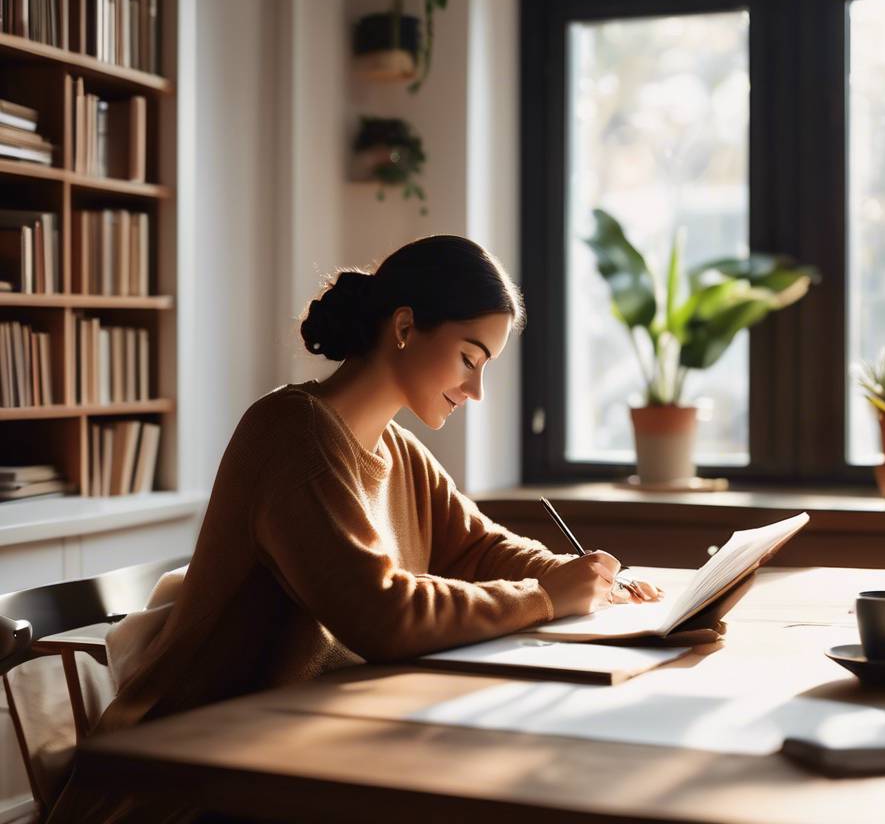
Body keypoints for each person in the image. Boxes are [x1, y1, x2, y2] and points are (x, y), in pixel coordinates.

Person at [50, 235, 662, 822]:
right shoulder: (293, 435)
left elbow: (479, 548)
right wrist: (546, 596)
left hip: (297, 752)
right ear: (405, 327)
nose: (476, 390)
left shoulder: (399, 451)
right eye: (469, 359)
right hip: (186, 781)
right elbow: (383, 613)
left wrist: (581, 576)